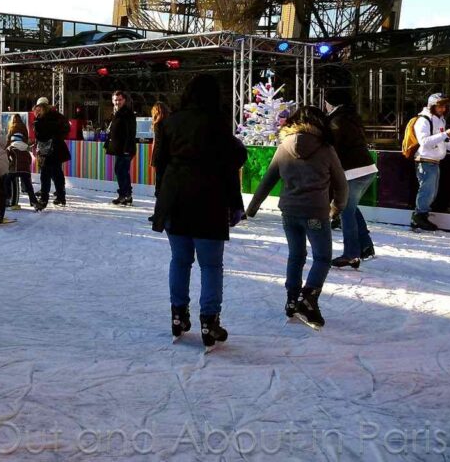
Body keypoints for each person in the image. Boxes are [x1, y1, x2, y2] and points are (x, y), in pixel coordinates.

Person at [152, 74, 247, 351]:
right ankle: (209, 320)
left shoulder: (169, 123)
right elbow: (234, 160)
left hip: (176, 200)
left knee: (180, 261)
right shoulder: (217, 124)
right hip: (209, 200)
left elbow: (159, 162)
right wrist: (235, 204)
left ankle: (178, 316)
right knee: (211, 265)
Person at [247, 106, 348, 330]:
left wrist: (252, 208)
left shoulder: (284, 146)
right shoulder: (325, 148)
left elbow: (268, 180)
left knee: (296, 255)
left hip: (289, 212)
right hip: (315, 212)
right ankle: (308, 298)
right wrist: (336, 208)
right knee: (322, 258)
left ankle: (292, 299)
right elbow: (341, 184)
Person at [325, 88, 377, 267]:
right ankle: (365, 246)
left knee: (347, 212)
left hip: (353, 171)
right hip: (367, 168)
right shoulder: (351, 117)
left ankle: (351, 254)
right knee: (352, 208)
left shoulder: (336, 121)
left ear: (331, 103)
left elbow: (333, 149)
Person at [409, 93, 450, 231]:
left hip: (434, 162)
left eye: (444, 106)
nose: (443, 109)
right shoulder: (423, 120)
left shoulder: (440, 120)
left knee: (431, 192)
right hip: (425, 161)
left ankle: (420, 217)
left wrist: (446, 136)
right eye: (440, 106)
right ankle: (419, 217)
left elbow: (444, 142)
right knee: (427, 191)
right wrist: (446, 134)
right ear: (432, 106)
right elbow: (424, 142)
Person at [32, 97, 71, 210]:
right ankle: (61, 197)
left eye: (38, 107)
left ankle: (43, 200)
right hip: (58, 149)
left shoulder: (41, 119)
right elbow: (67, 128)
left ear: (40, 107)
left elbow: (41, 136)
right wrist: (58, 138)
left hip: (48, 151)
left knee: (45, 175)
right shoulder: (58, 116)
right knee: (57, 173)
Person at [105, 90, 137, 206]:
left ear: (124, 100)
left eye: (119, 100)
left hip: (125, 149)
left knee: (120, 171)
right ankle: (127, 195)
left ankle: (123, 195)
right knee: (123, 172)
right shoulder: (117, 112)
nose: (117, 102)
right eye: (115, 100)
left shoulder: (127, 113)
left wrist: (127, 149)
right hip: (120, 148)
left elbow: (130, 133)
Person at [5, 133, 38, 210]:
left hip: (14, 169)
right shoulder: (26, 148)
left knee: (7, 182)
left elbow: (6, 158)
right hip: (26, 170)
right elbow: (29, 159)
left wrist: (10, 166)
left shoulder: (11, 147)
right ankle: (34, 202)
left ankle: (8, 199)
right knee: (29, 186)